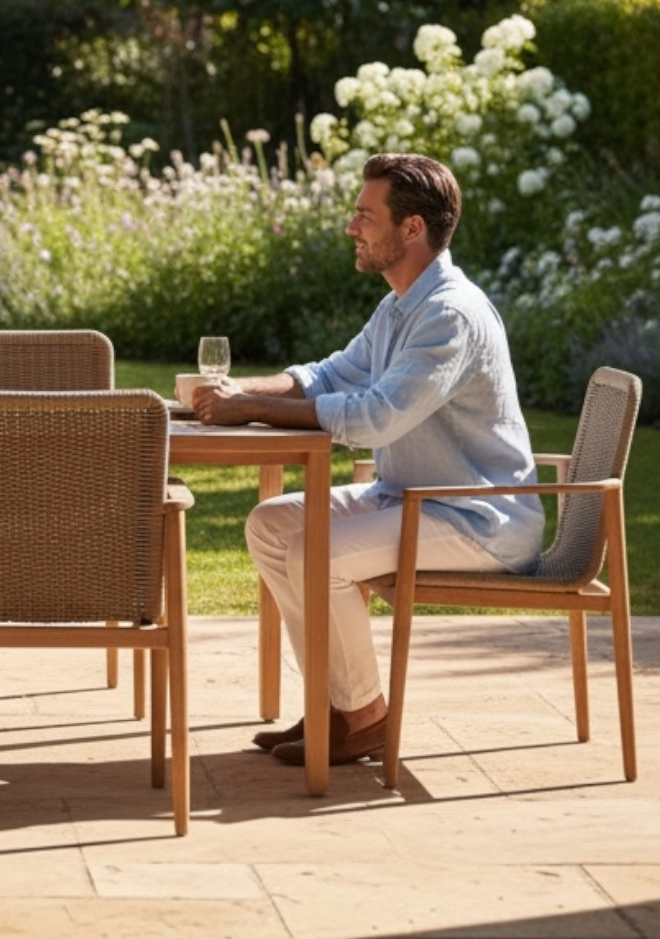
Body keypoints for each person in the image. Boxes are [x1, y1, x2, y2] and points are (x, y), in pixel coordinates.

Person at [189, 152, 541, 766]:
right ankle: (336, 704)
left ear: (412, 229)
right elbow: (330, 374)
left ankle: (364, 719)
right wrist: (236, 391)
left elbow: (376, 415)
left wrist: (251, 408)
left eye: (364, 215)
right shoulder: (402, 304)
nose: (352, 226)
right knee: (272, 525)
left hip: (475, 519)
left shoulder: (449, 315)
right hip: (412, 498)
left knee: (314, 551)